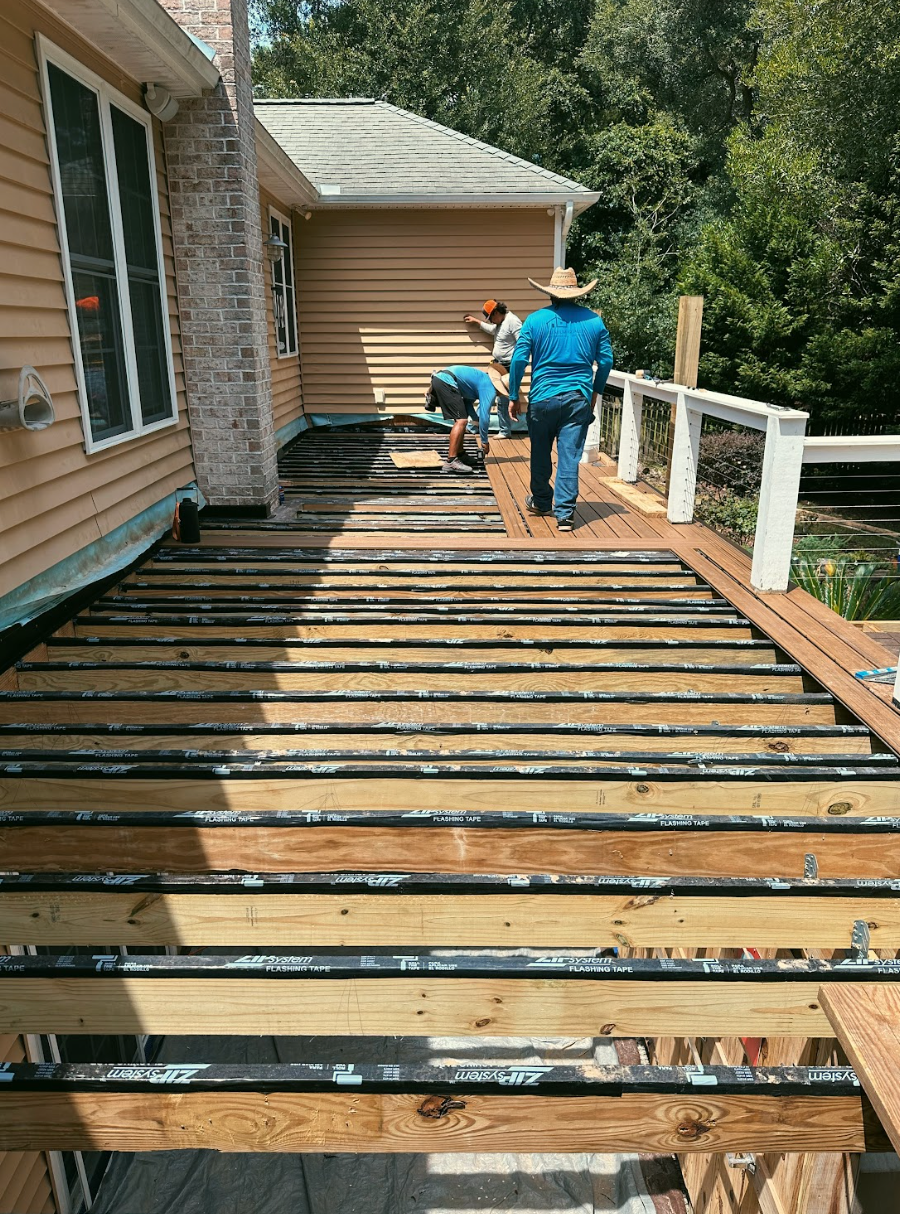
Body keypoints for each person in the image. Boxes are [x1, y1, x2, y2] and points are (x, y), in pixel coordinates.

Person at [508, 268, 613, 532]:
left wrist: (513, 395)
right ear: (577, 294)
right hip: (578, 398)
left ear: (551, 294)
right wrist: (594, 393)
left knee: (540, 453)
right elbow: (607, 361)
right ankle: (565, 515)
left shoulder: (534, 320)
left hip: (542, 399)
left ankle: (543, 502)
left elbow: (519, 359)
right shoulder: (594, 322)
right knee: (569, 456)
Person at [464, 299, 522, 439]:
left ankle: (503, 431)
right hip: (498, 365)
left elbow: (522, 344)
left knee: (502, 400)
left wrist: (515, 368)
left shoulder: (513, 321)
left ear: (497, 312)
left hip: (508, 367)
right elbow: (492, 330)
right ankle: (474, 426)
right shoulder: (500, 323)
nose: (490, 321)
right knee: (486, 392)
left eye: (491, 318)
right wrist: (477, 322)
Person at [425, 364, 497, 473]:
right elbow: (485, 417)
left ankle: (460, 453)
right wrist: (484, 441)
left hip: (440, 378)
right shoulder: (490, 389)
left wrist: (475, 419)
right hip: (447, 381)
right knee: (461, 420)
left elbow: (467, 404)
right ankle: (451, 461)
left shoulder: (482, 380)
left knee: (461, 418)